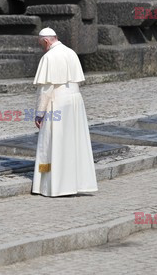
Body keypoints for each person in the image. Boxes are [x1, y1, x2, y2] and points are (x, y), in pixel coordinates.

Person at [32, 27, 98, 197]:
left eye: (41, 44)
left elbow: (46, 90)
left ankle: (49, 185)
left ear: (46, 41)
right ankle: (74, 184)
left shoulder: (49, 57)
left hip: (57, 103)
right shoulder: (71, 53)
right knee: (73, 143)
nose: (42, 47)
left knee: (49, 145)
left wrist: (39, 113)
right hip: (75, 101)